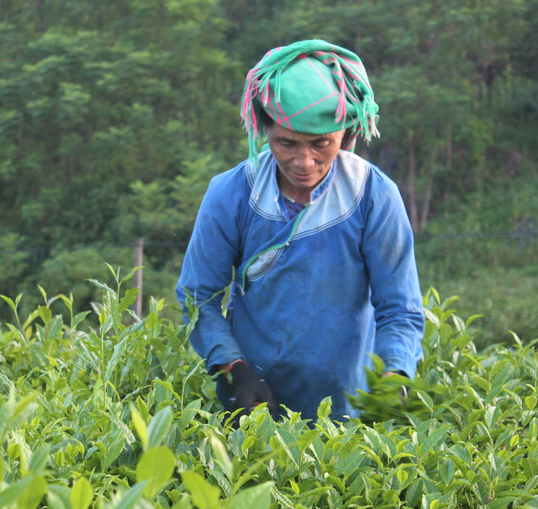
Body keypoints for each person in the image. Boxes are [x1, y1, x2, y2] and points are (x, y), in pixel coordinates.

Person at [176, 39, 424, 421]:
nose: (304, 162)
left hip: (348, 404)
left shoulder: (373, 195)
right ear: (263, 130)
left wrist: (394, 374)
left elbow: (400, 307)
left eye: (321, 144)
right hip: (251, 400)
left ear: (346, 133)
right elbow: (198, 295)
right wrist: (232, 366)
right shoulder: (232, 193)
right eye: (286, 143)